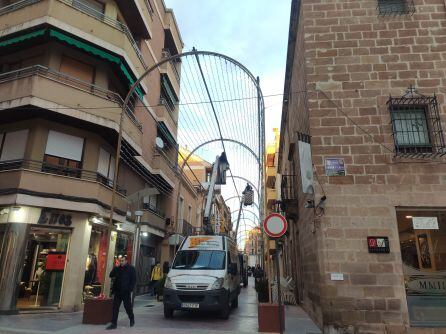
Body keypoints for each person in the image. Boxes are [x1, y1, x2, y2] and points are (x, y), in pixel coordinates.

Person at [106, 255, 136, 330]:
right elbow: (111, 275)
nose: (121, 262)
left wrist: (130, 289)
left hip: (126, 292)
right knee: (115, 308)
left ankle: (131, 318)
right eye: (120, 261)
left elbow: (133, 280)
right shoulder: (117, 268)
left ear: (126, 261)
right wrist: (116, 267)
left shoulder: (131, 269)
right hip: (118, 292)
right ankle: (113, 323)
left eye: (122, 261)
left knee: (128, 307)